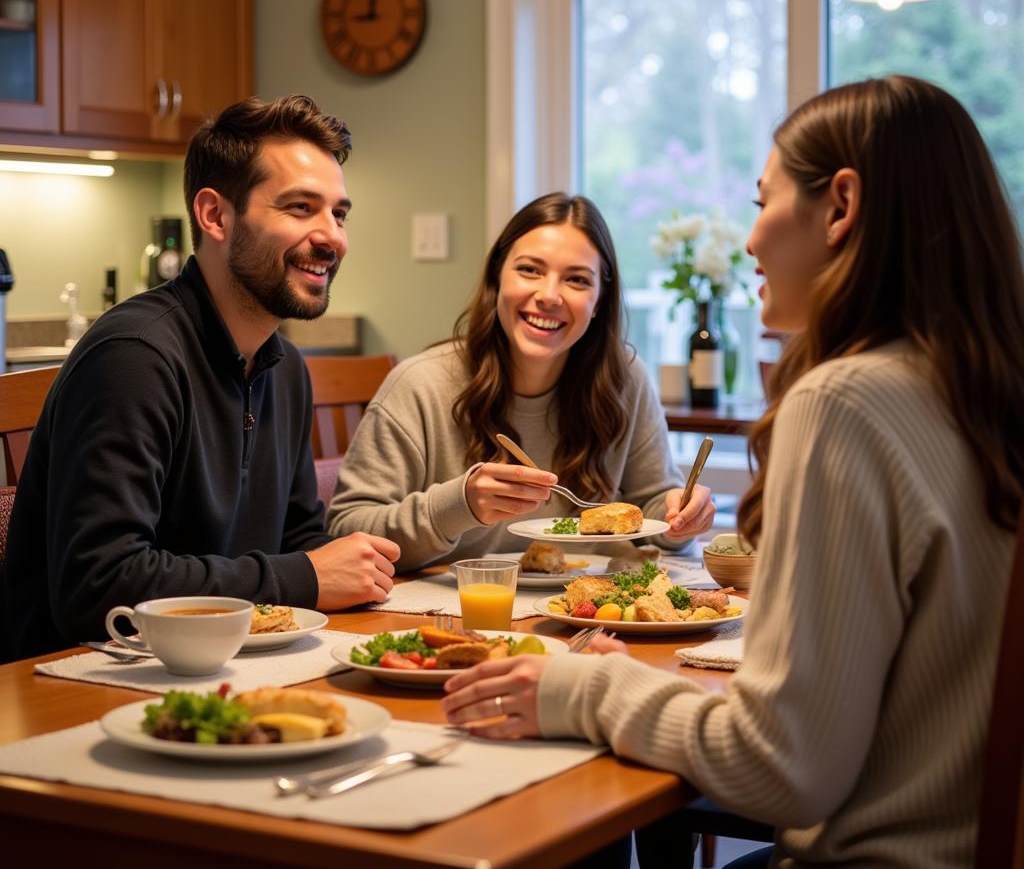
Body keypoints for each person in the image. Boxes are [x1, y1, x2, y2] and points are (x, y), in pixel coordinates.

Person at [440, 76, 1024, 868]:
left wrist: (579, 690)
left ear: (841, 206)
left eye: (762, 202)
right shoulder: (980, 391)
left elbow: (781, 768)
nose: (749, 241)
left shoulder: (847, 402)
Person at [1, 95, 400, 662]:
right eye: (300, 207)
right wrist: (304, 578)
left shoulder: (285, 370)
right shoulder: (134, 358)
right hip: (81, 682)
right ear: (215, 216)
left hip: (225, 665)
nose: (331, 236)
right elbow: (99, 587)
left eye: (338, 213)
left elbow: (300, 544)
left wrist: (347, 566)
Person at [326, 192, 714, 572]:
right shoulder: (420, 385)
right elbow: (346, 532)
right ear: (498, 276)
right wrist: (458, 505)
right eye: (529, 270)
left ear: (598, 301)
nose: (548, 295)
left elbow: (653, 514)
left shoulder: (625, 379)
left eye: (577, 280)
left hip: (590, 614)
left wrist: (679, 516)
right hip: (456, 617)